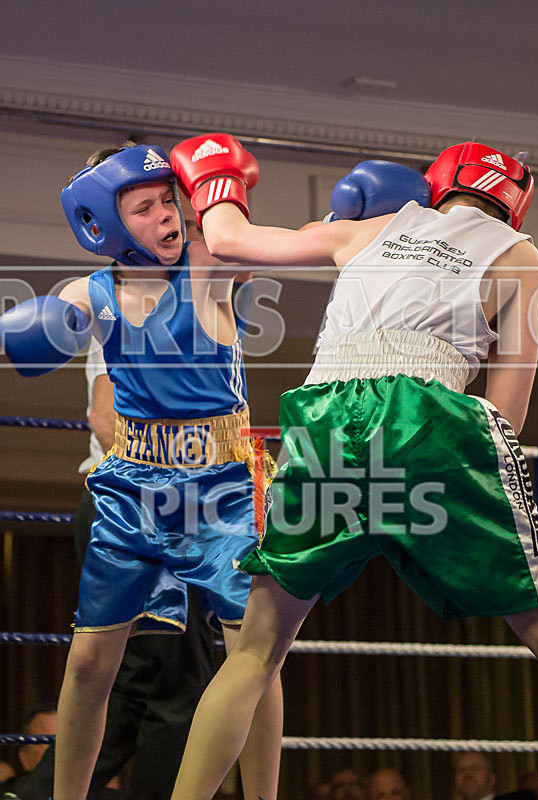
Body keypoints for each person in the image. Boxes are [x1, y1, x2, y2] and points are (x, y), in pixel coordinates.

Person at [164, 134, 538, 800]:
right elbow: (505, 415)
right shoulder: (520, 255)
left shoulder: (369, 228)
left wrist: (216, 174)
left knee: (255, 650)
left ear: (437, 185)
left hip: (325, 417)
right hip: (428, 416)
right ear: (514, 205)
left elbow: (225, 240)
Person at [0, 141, 282, 800]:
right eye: (144, 208)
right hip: (133, 488)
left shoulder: (209, 264)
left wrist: (222, 194)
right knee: (90, 661)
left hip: (221, 487)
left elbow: (253, 246)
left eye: (168, 201)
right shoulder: (91, 292)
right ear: (107, 225)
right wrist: (39, 328)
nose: (165, 216)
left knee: (254, 654)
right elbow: (58, 324)